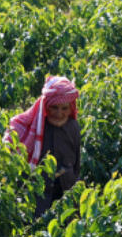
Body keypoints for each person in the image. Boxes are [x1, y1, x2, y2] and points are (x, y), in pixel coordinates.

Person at [6, 76, 82, 216]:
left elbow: (77, 163)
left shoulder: (73, 127)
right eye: (54, 108)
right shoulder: (37, 127)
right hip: (39, 195)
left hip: (66, 191)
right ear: (46, 106)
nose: (59, 114)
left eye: (64, 108)